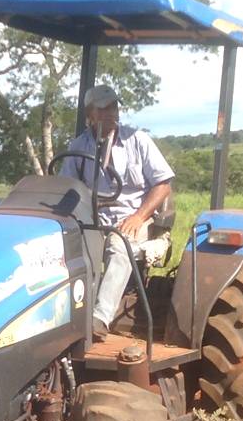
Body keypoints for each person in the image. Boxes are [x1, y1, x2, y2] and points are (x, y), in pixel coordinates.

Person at [61, 84, 175, 337]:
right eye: (103, 109)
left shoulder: (137, 140)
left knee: (118, 246)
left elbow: (163, 184)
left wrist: (138, 216)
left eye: (114, 106)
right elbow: (66, 187)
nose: (112, 113)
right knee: (63, 247)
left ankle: (98, 319)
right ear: (90, 114)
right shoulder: (78, 146)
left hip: (134, 217)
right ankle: (63, 316)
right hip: (93, 218)